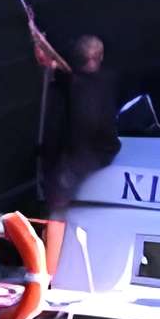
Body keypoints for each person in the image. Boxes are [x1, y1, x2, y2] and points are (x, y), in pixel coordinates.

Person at [37, 27, 120, 207]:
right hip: (74, 156)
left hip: (84, 156)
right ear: (99, 57)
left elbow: (87, 129)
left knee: (59, 191)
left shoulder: (86, 87)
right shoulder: (86, 83)